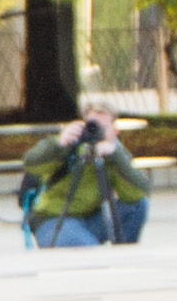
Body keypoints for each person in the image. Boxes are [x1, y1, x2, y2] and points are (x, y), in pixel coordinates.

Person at [19, 96, 150, 248]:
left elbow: (138, 193)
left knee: (138, 205)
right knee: (87, 250)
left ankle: (122, 255)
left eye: (103, 127)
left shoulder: (113, 153)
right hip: (54, 218)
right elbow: (31, 164)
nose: (96, 131)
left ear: (114, 131)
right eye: (92, 125)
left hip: (91, 219)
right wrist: (59, 144)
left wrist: (115, 156)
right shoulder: (68, 144)